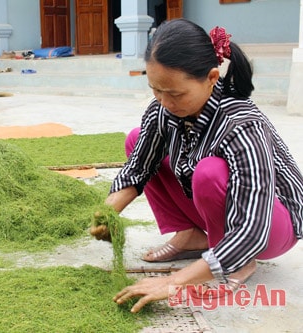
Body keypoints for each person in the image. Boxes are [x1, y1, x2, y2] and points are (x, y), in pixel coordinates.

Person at [91, 19, 303, 313]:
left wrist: (175, 282)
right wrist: (108, 211)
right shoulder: (162, 109)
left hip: (272, 225)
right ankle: (194, 235)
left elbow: (253, 228)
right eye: (156, 90)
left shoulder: (240, 125)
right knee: (138, 139)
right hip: (229, 212)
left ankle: (238, 261)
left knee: (208, 171)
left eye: (176, 94)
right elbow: (139, 167)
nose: (164, 102)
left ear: (212, 77)